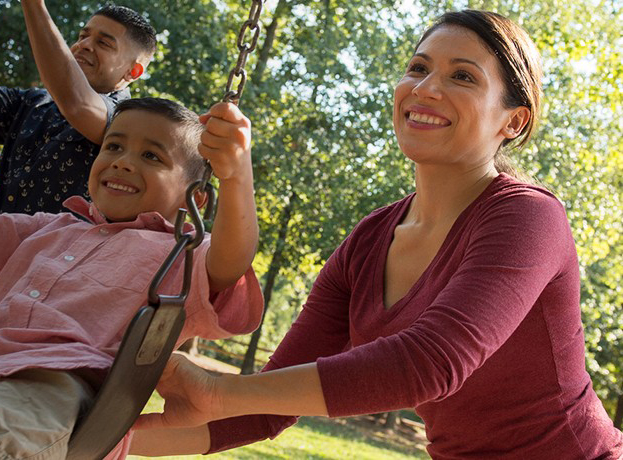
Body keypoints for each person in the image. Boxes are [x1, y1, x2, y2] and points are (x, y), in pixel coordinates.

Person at [130, 9, 623, 459]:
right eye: (417, 68)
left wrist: (217, 392)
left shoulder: (527, 216)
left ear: (513, 121)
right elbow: (264, 408)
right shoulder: (369, 241)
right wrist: (91, 437)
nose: (426, 88)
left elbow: (429, 363)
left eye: (463, 77)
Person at [0, 97, 262, 459]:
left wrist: (236, 177)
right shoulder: (44, 229)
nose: (123, 161)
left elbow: (230, 261)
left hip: (56, 389)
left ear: (196, 200)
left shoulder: (181, 252)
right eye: (114, 146)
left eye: (151, 156)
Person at [0, 2, 156, 214]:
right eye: (83, 36)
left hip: (56, 248)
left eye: (104, 43)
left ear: (133, 71)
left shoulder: (126, 120)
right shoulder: (31, 101)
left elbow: (77, 104)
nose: (84, 45)